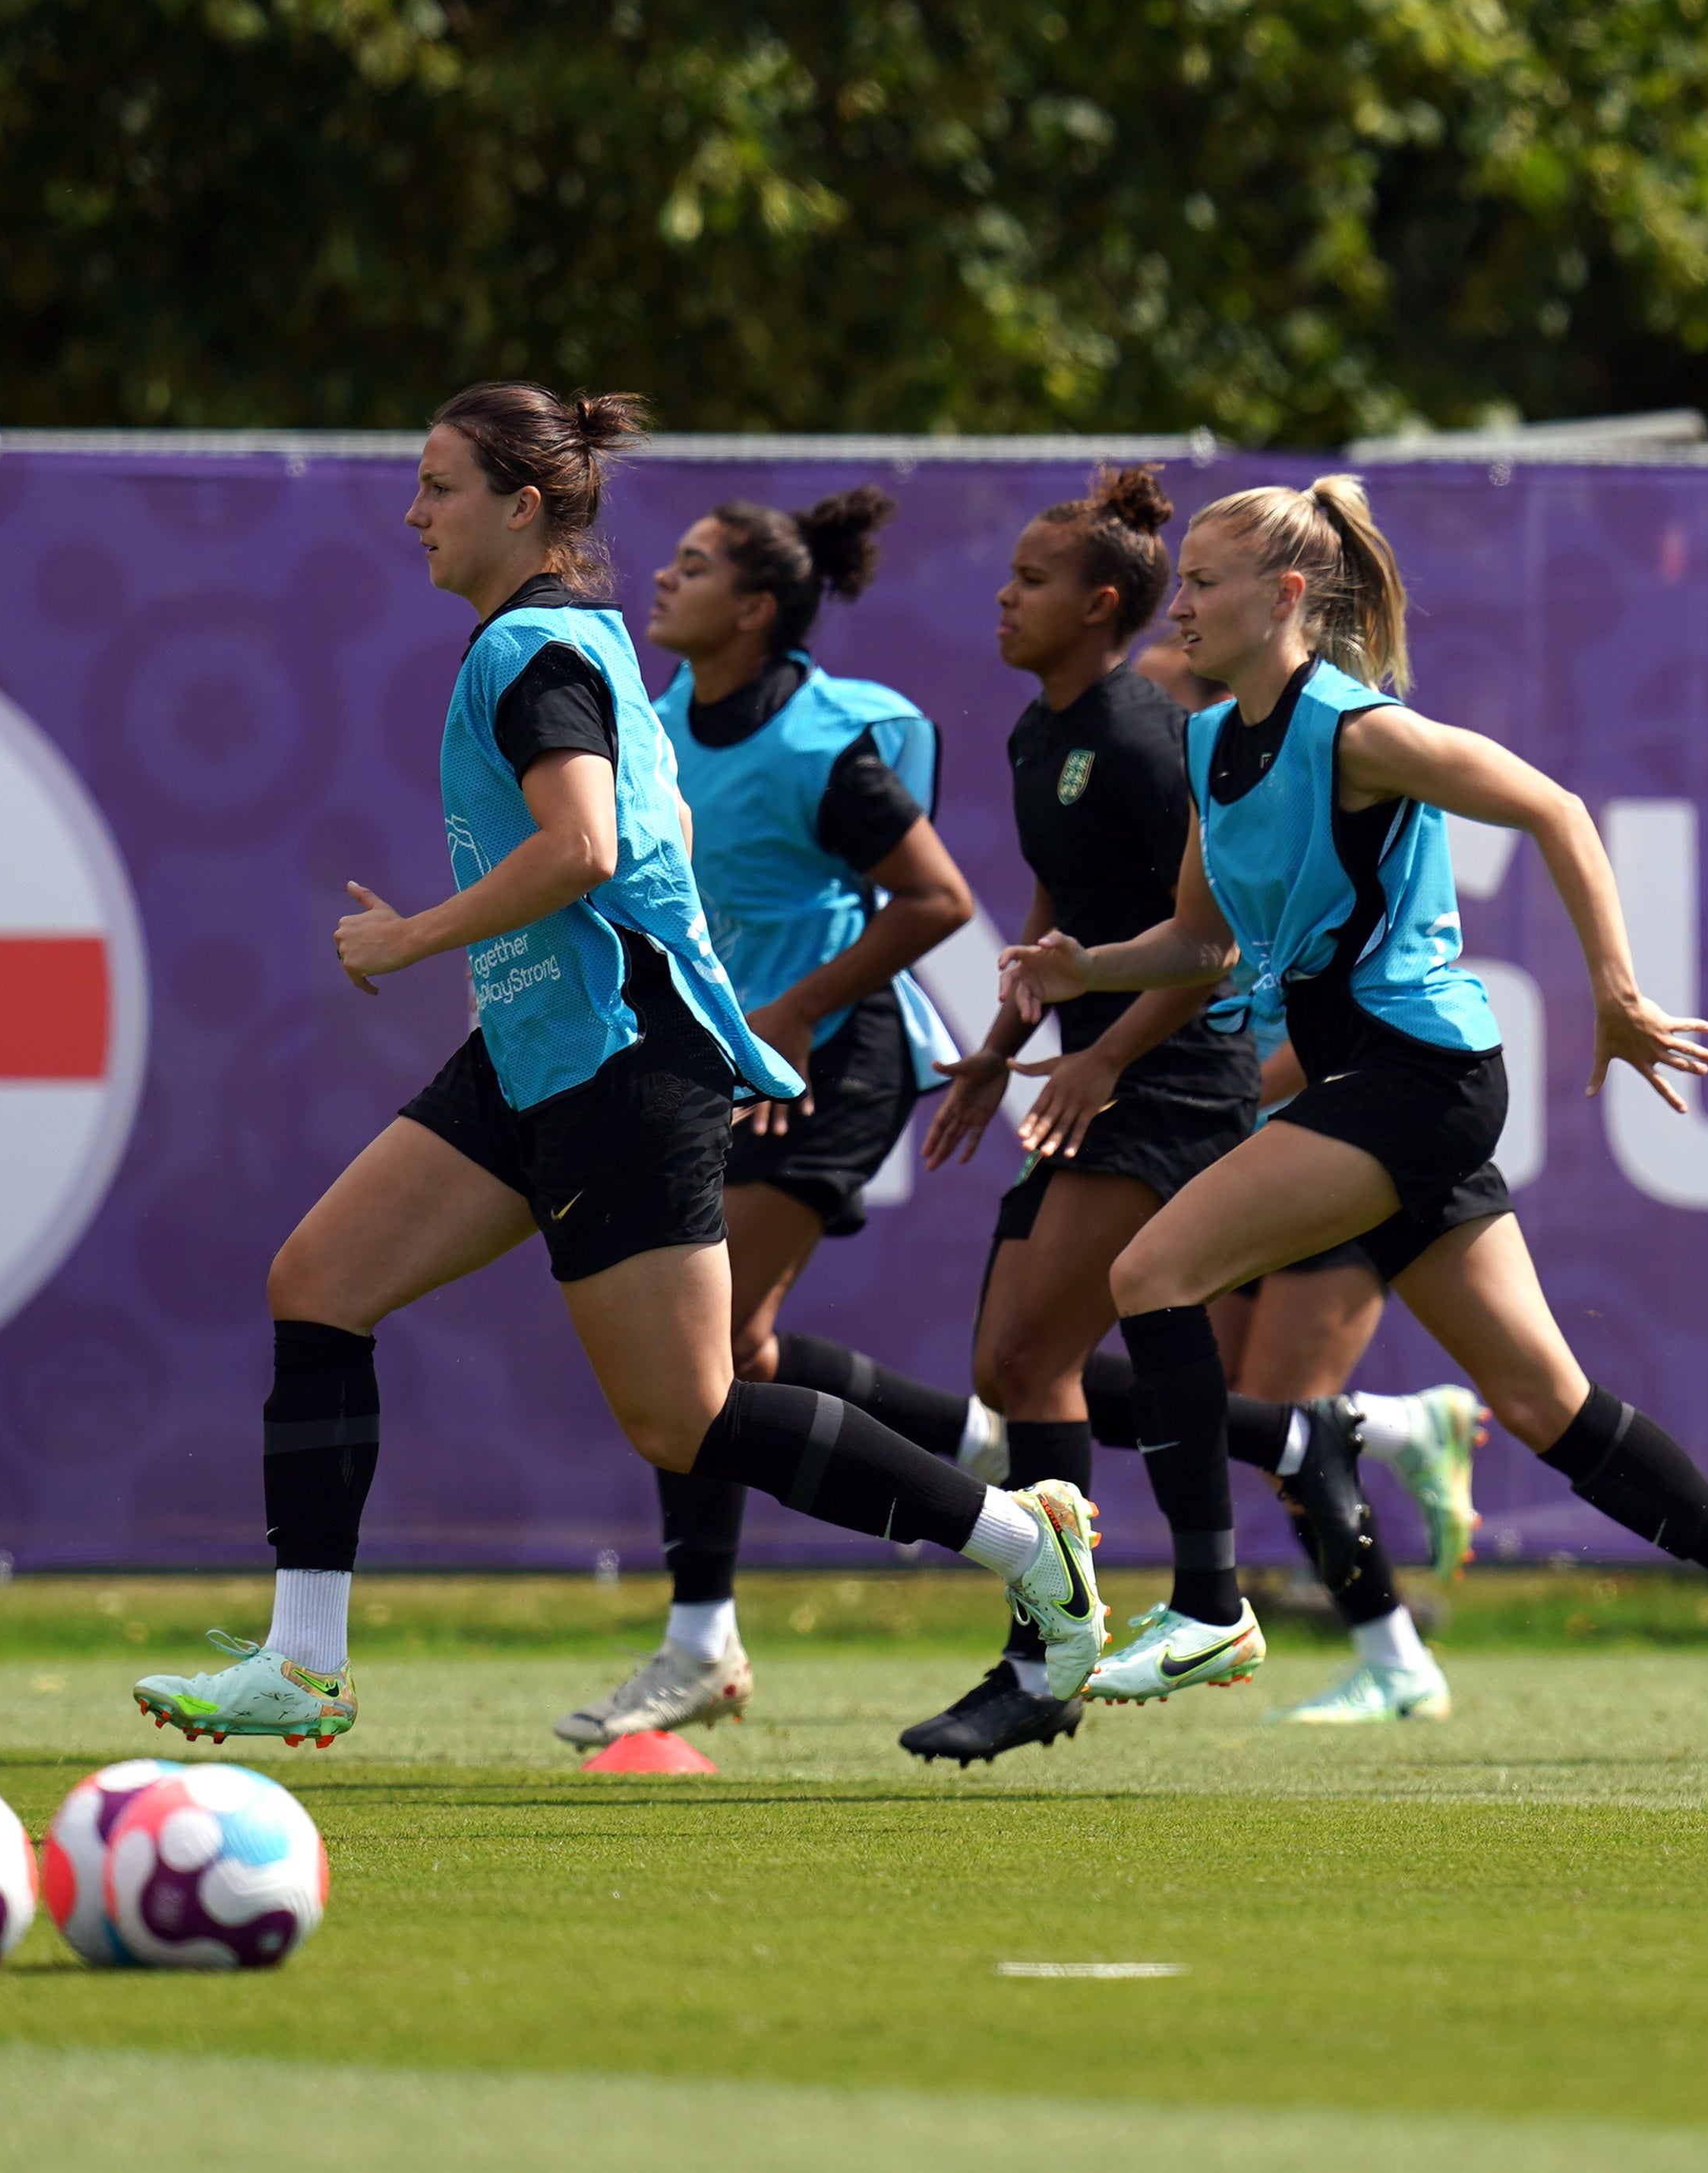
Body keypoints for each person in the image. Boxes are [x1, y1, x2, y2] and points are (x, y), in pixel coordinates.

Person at [128, 384, 1102, 1750]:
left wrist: (414, 935)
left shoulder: (531, 650)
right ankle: (304, 1663)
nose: (413, 512)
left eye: (440, 485)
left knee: (688, 1418)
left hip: (616, 1060)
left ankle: (1021, 1542)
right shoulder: (555, 642)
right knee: (319, 1283)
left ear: (521, 505)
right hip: (536, 1051)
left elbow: (585, 847)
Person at [1001, 475, 1708, 1757]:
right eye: (1182, 581)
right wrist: (1086, 970)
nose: (1179, 604)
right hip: (1371, 1075)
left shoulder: (1356, 729)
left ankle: (1207, 1603)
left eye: (1204, 582)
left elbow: (1557, 811)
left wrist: (1617, 999)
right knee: (1545, 1406)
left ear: (1287, 597)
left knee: (1152, 1271)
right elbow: (1199, 941)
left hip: (1419, 1074)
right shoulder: (1204, 741)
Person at [897, 468, 1481, 1763]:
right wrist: (1003, 1047)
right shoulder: (1039, 733)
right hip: (1103, 1067)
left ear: (1105, 607)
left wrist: (1104, 1054)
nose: (1003, 597)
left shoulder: (1163, 742)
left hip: (1177, 1080)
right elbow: (1063, 911)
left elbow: (1203, 950)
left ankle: (1055, 1654)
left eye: (1033, 582)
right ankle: (1320, 1444)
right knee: (1017, 1367)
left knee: (1040, 1363)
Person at [551, 488, 982, 1751]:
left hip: (839, 1057)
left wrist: (791, 1017)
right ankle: (980, 1443)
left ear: (754, 609)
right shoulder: (663, 722)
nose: (662, 581)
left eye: (692, 568)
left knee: (717, 1342)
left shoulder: (816, 746)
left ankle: (701, 1643)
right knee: (739, 1350)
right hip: (732, 1059)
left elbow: (938, 900)